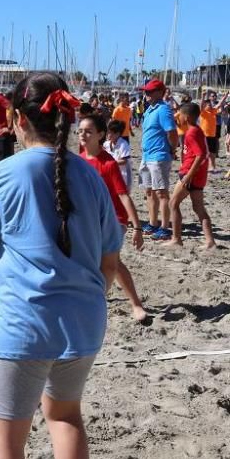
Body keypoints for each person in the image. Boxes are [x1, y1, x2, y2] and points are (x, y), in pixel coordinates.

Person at [0, 72, 122, 459]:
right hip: (85, 323)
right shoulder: (90, 176)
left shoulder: (3, 173)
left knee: (7, 443)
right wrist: (89, 300)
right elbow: (109, 260)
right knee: (66, 418)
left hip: (25, 325)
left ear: (16, 119)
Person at [77, 114, 148, 322]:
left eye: (88, 131)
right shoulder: (78, 160)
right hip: (89, 219)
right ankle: (92, 298)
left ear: (100, 135)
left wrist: (137, 227)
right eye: (80, 130)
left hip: (114, 218)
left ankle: (136, 305)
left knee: (113, 262)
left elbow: (123, 195)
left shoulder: (108, 163)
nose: (83, 134)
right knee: (94, 261)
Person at [167, 102, 215, 249]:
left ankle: (176, 239)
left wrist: (188, 175)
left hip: (191, 174)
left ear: (186, 117)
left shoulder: (192, 132)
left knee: (173, 203)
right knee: (198, 207)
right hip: (197, 175)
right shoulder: (196, 130)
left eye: (180, 114)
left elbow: (200, 156)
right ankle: (210, 241)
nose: (178, 117)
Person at [139, 78, 179, 241]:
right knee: (149, 191)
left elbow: (172, 133)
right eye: (145, 91)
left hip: (159, 156)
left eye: (149, 91)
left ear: (159, 92)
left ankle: (164, 227)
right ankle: (153, 223)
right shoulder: (150, 109)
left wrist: (171, 149)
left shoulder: (163, 109)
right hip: (147, 156)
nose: (145, 93)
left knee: (161, 192)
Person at [199, 92, 228, 173]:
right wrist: (203, 96)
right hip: (204, 135)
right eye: (208, 105)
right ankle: (203, 167)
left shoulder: (213, 111)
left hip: (212, 135)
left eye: (210, 105)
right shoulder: (203, 113)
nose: (210, 106)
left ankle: (213, 166)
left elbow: (219, 104)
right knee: (204, 152)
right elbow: (201, 105)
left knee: (213, 152)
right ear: (205, 106)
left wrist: (225, 96)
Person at [103, 119, 133, 190]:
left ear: (118, 134)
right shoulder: (106, 144)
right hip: (110, 176)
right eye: (108, 132)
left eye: (111, 133)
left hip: (122, 177)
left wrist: (109, 163)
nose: (108, 134)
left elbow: (124, 161)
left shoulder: (123, 144)